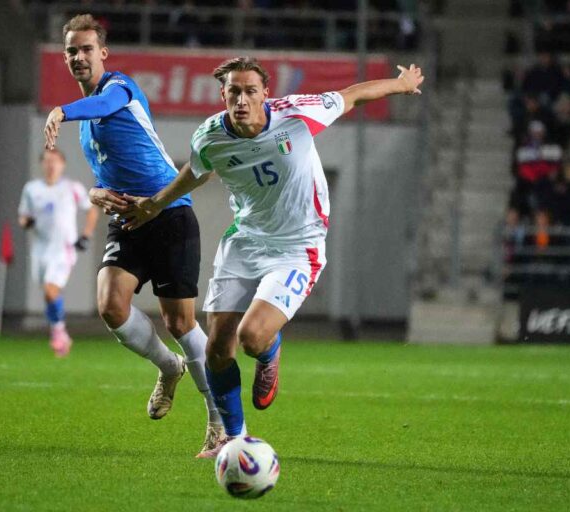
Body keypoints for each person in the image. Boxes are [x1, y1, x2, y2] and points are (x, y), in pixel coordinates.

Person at [122, 56, 424, 457]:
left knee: (252, 336)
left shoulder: (297, 115)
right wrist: (155, 204)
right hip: (245, 242)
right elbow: (196, 173)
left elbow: (351, 96)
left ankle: (269, 351)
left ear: (266, 93)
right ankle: (234, 438)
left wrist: (400, 85)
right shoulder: (209, 136)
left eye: (250, 91)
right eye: (234, 92)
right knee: (216, 347)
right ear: (223, 94)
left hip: (299, 247)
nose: (242, 99)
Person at [41, 14, 222, 456]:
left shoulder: (120, 89)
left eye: (86, 49)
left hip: (169, 213)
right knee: (110, 303)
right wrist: (96, 192)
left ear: (103, 53)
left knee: (180, 322)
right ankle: (168, 368)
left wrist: (61, 109)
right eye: (71, 51)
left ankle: (220, 421)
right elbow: (105, 176)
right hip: (128, 220)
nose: (79, 57)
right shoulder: (86, 128)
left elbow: (102, 107)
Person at [18, 148, 99, 357]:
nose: (50, 165)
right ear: (42, 165)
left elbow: (91, 209)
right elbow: (23, 216)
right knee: (48, 293)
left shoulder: (72, 188)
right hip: (40, 249)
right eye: (46, 161)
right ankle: (59, 331)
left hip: (63, 249)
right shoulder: (32, 189)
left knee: (51, 289)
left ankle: (59, 333)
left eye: (54, 161)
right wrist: (27, 222)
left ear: (62, 164)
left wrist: (86, 236)